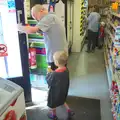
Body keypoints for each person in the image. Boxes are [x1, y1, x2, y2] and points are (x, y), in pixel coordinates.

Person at [17, 4, 68, 70]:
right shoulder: (53, 17)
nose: (37, 20)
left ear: (41, 11)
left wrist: (17, 27)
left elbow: (32, 30)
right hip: (60, 56)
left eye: (36, 17)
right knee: (61, 76)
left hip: (56, 58)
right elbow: (41, 32)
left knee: (55, 78)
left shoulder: (48, 18)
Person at [46, 51, 74, 120]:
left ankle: (53, 115)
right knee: (63, 100)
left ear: (57, 62)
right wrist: (52, 73)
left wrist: (48, 74)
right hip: (63, 90)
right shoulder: (66, 70)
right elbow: (58, 76)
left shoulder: (54, 74)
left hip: (55, 92)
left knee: (53, 104)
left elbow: (49, 81)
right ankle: (69, 111)